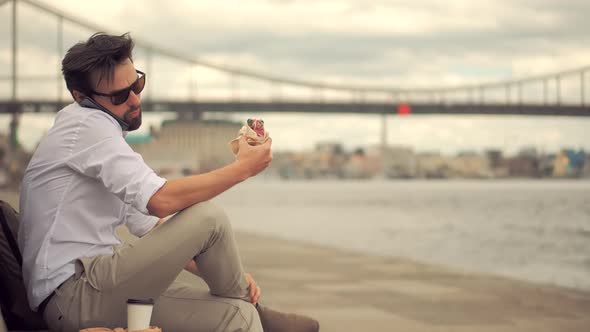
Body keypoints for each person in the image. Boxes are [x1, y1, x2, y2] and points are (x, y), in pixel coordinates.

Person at [18, 32, 319, 332]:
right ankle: (252, 304)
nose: (135, 99)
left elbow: (152, 224)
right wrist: (243, 168)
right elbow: (161, 200)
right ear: (81, 97)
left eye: (136, 84)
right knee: (208, 217)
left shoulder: (101, 135)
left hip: (95, 291)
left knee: (237, 316)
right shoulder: (86, 125)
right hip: (74, 295)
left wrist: (231, 272)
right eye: (120, 96)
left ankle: (250, 307)